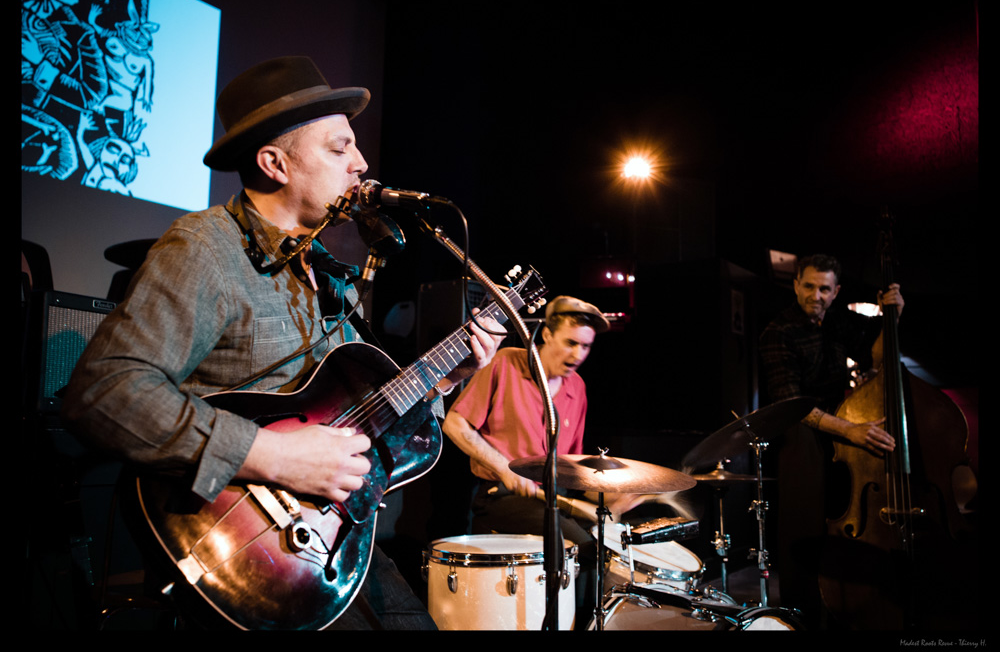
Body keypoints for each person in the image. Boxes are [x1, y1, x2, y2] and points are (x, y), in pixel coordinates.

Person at [61, 56, 502, 630]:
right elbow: (104, 392)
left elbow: (362, 416)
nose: (362, 164)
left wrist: (445, 377)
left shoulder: (330, 276)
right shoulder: (206, 247)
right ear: (275, 163)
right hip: (243, 543)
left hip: (330, 543)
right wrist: (276, 456)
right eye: (339, 148)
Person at [442, 295, 642, 626]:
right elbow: (455, 423)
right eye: (571, 343)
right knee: (580, 545)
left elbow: (571, 467)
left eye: (586, 346)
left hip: (550, 498)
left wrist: (609, 496)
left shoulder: (577, 387)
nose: (578, 355)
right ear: (547, 334)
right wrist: (504, 468)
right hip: (499, 496)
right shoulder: (505, 362)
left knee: (605, 543)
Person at [759, 253, 903, 627]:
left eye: (824, 289)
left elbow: (876, 359)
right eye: (809, 286)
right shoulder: (778, 331)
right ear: (796, 285)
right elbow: (792, 405)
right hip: (800, 434)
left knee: (840, 521)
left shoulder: (838, 321)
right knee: (803, 528)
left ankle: (841, 607)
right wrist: (851, 430)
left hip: (839, 427)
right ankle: (801, 617)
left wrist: (892, 317)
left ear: (836, 291)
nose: (816, 295)